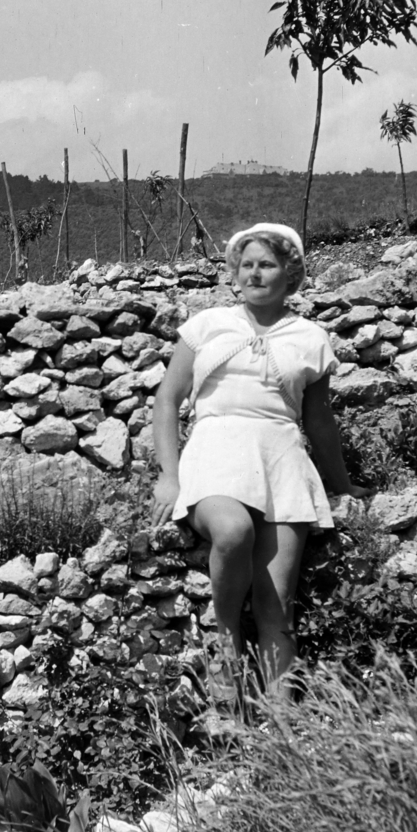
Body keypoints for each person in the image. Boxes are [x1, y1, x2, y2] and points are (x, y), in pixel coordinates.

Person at [151, 222, 361, 698]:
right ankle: (226, 635)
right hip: (215, 448)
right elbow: (167, 401)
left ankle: (281, 730)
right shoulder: (206, 326)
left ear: (290, 272)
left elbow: (320, 421)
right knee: (232, 531)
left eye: (266, 264)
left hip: (282, 459)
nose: (254, 273)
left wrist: (342, 484)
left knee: (276, 603)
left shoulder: (309, 336)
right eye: (246, 265)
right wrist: (169, 474)